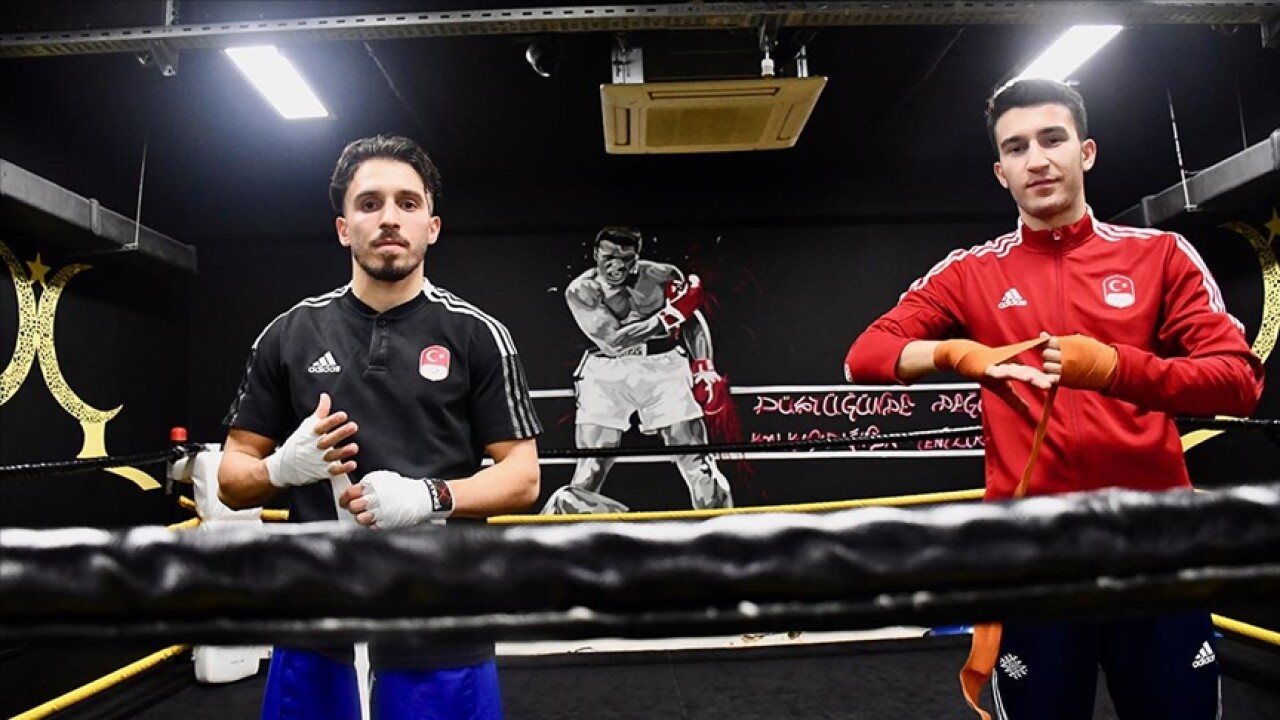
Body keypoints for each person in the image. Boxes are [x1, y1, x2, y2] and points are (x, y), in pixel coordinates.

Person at [843, 79, 1263, 719]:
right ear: (1001, 172)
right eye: (1016, 148)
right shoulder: (971, 272)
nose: (1036, 159)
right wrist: (958, 354)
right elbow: (865, 355)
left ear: (1085, 152)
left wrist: (1114, 367)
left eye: (1052, 139)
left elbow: (1238, 380)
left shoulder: (1159, 255)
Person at [217, 134, 542, 720]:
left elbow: (523, 477)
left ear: (432, 227)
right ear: (344, 228)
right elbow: (232, 480)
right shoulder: (289, 334)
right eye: (369, 203)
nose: (389, 218)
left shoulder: (478, 335)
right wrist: (281, 468)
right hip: (316, 619)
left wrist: (430, 496)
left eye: (407, 203)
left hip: (441, 618)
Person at [541, 225, 733, 513]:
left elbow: (691, 320)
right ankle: (583, 535)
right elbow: (614, 342)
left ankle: (723, 533)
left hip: (663, 366)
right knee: (591, 469)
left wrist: (704, 365)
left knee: (700, 464)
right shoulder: (582, 290)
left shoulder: (662, 276)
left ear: (637, 257)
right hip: (605, 372)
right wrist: (669, 316)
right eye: (608, 257)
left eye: (625, 259)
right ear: (595, 254)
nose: (616, 266)